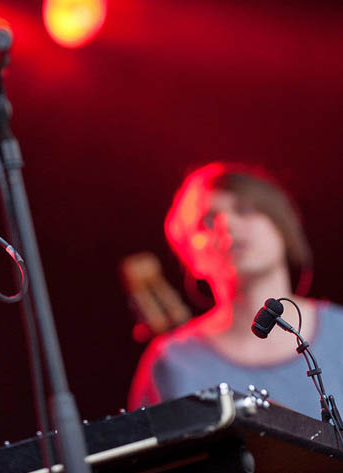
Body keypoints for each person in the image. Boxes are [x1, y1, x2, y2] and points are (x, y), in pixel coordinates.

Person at [128, 162, 343, 417]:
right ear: (189, 257)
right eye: (207, 221)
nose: (226, 224)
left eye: (245, 209)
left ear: (283, 227)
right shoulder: (171, 362)